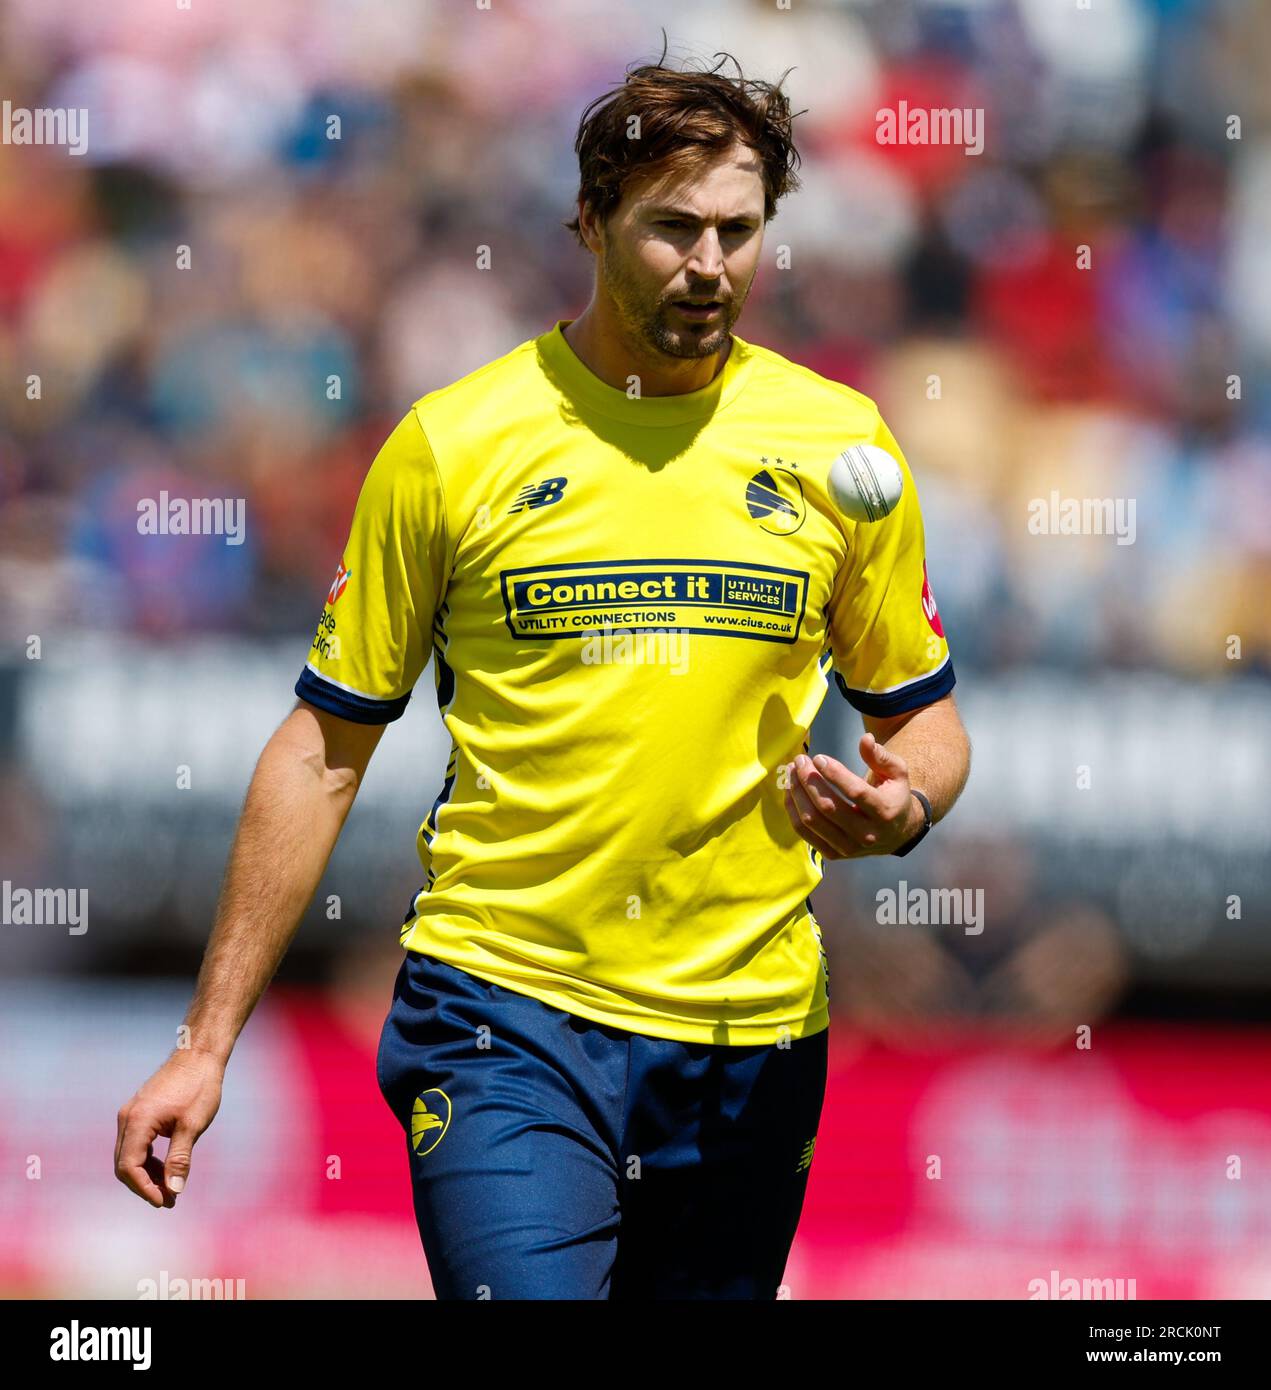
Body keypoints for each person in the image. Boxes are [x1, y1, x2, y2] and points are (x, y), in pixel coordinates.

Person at [115, 50, 971, 1300]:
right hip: (503, 1017)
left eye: (738, 230)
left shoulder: (839, 447)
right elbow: (323, 747)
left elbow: (925, 719)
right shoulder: (454, 447)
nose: (708, 262)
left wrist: (904, 808)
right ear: (590, 219)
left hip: (748, 1035)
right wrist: (205, 1046)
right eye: (671, 225)